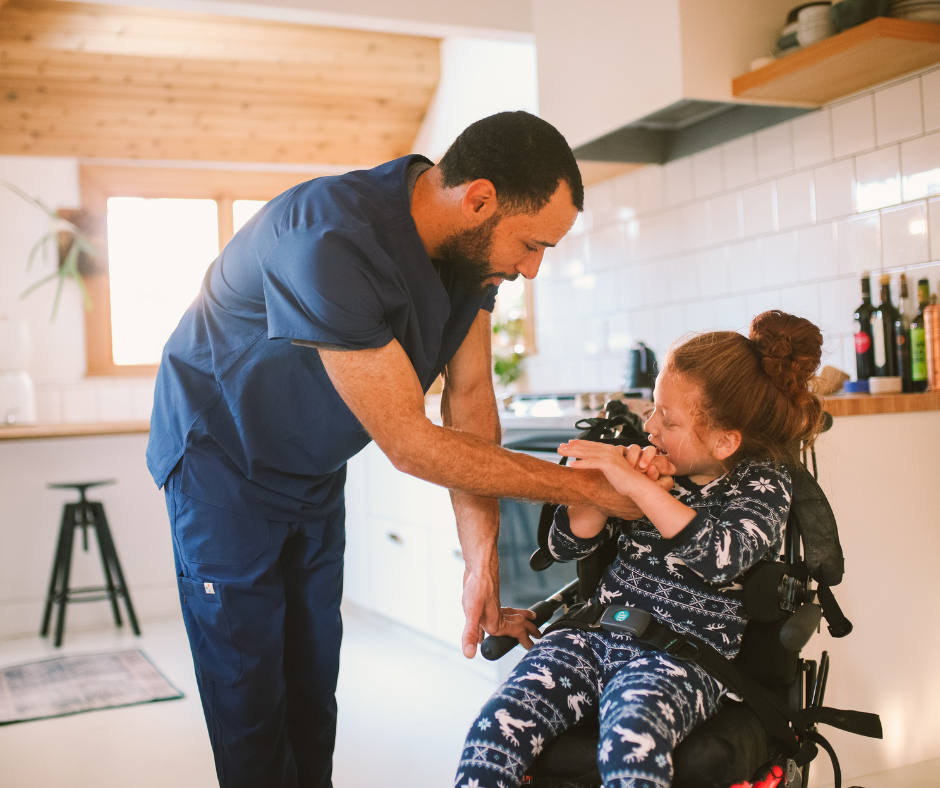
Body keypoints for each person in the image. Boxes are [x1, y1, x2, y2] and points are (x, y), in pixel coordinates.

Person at [147, 110, 674, 788]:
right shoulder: (328, 241)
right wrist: (592, 489)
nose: (535, 269)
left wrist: (481, 560)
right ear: (479, 199)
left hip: (309, 469)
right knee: (250, 698)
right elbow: (410, 443)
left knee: (310, 689)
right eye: (533, 244)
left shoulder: (469, 254)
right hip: (220, 466)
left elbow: (471, 403)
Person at [455, 310, 824, 788]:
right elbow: (564, 546)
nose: (649, 427)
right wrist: (602, 494)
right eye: (652, 408)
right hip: (591, 635)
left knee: (631, 739)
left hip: (681, 657)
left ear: (725, 440)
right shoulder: (649, 464)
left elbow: (721, 557)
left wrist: (642, 489)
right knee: (497, 725)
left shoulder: (762, 482)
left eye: (666, 419)